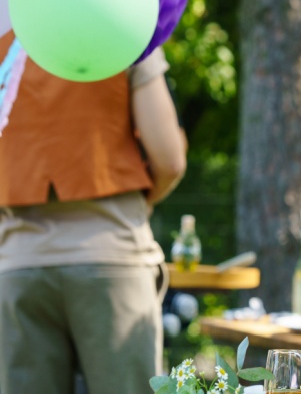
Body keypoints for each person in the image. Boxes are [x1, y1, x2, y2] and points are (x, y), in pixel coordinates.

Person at [0, 31, 188, 394]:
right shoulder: (122, 18)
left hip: (18, 264)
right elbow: (170, 158)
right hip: (112, 253)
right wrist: (142, 201)